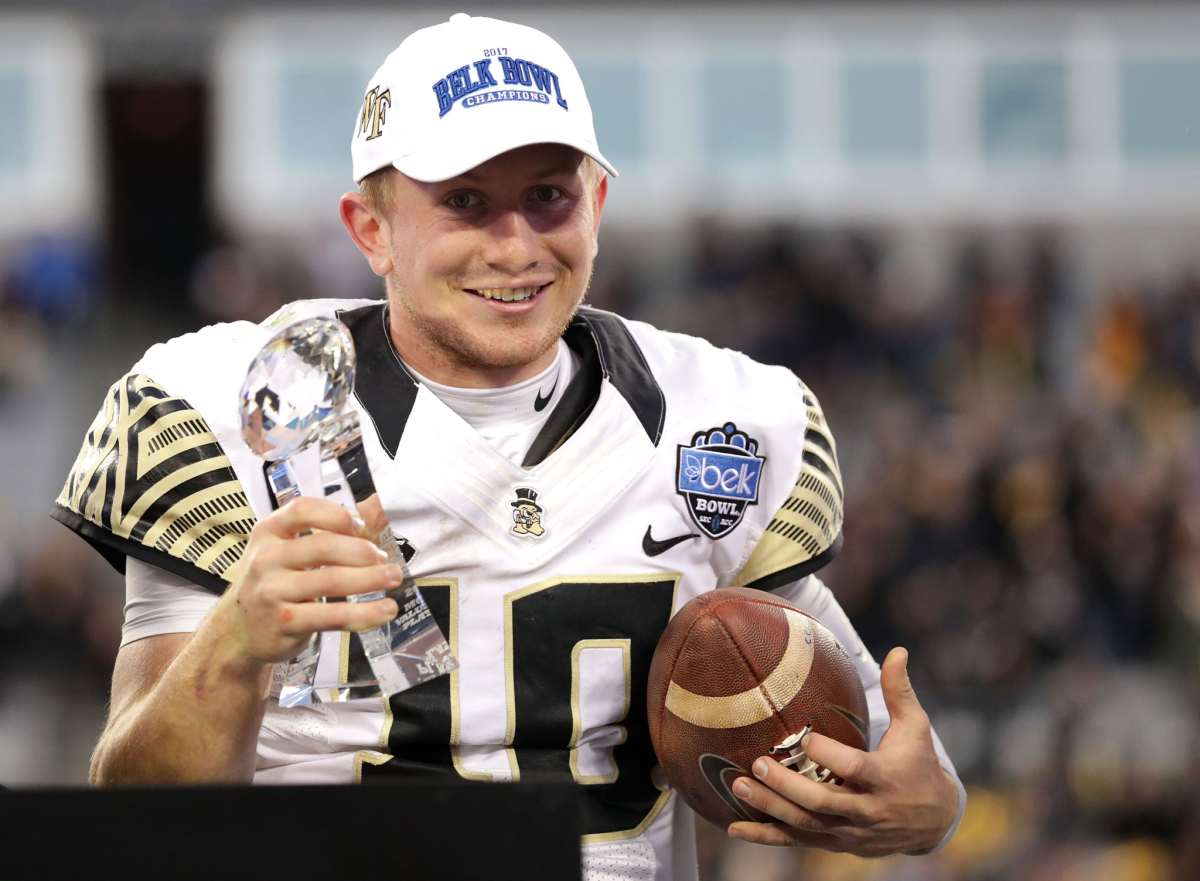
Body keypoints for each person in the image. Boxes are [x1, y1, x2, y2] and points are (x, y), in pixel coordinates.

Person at [53, 13, 964, 879]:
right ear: (371, 228)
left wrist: (928, 806)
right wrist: (235, 642)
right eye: (466, 203)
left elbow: (889, 753)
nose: (516, 245)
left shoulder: (726, 419)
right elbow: (138, 812)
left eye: (546, 196)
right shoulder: (233, 404)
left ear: (597, 203)